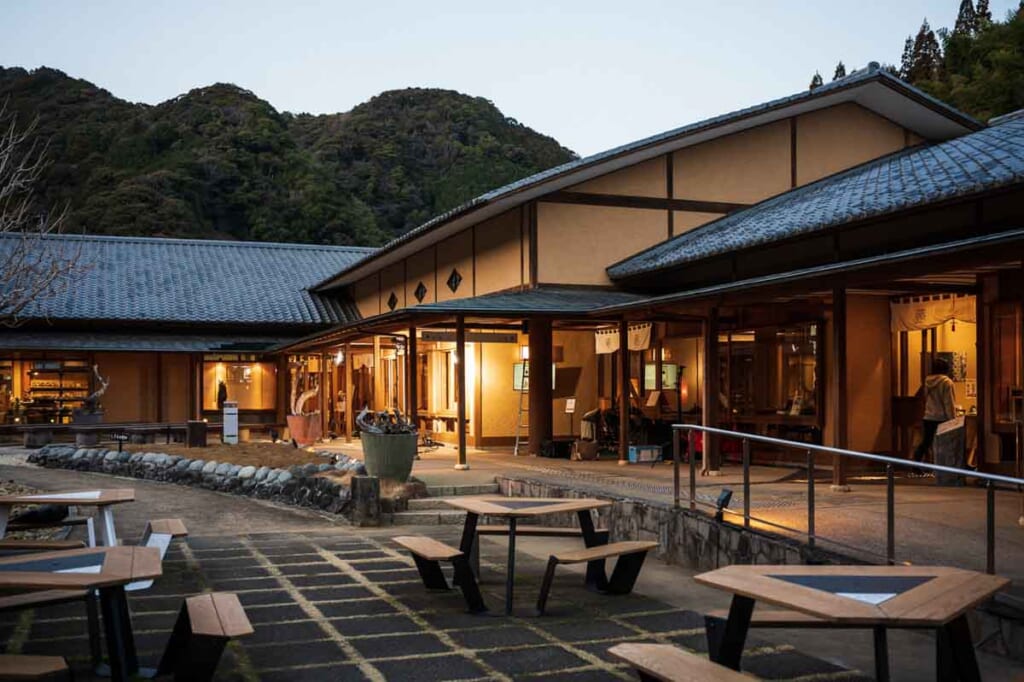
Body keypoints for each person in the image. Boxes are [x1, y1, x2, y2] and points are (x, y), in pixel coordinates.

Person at [913, 357, 956, 468]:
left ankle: (915, 463)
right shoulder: (947, 382)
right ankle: (943, 466)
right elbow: (948, 402)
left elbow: (925, 398)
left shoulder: (927, 381)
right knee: (944, 443)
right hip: (942, 418)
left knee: (926, 442)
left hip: (929, 416)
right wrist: (952, 419)